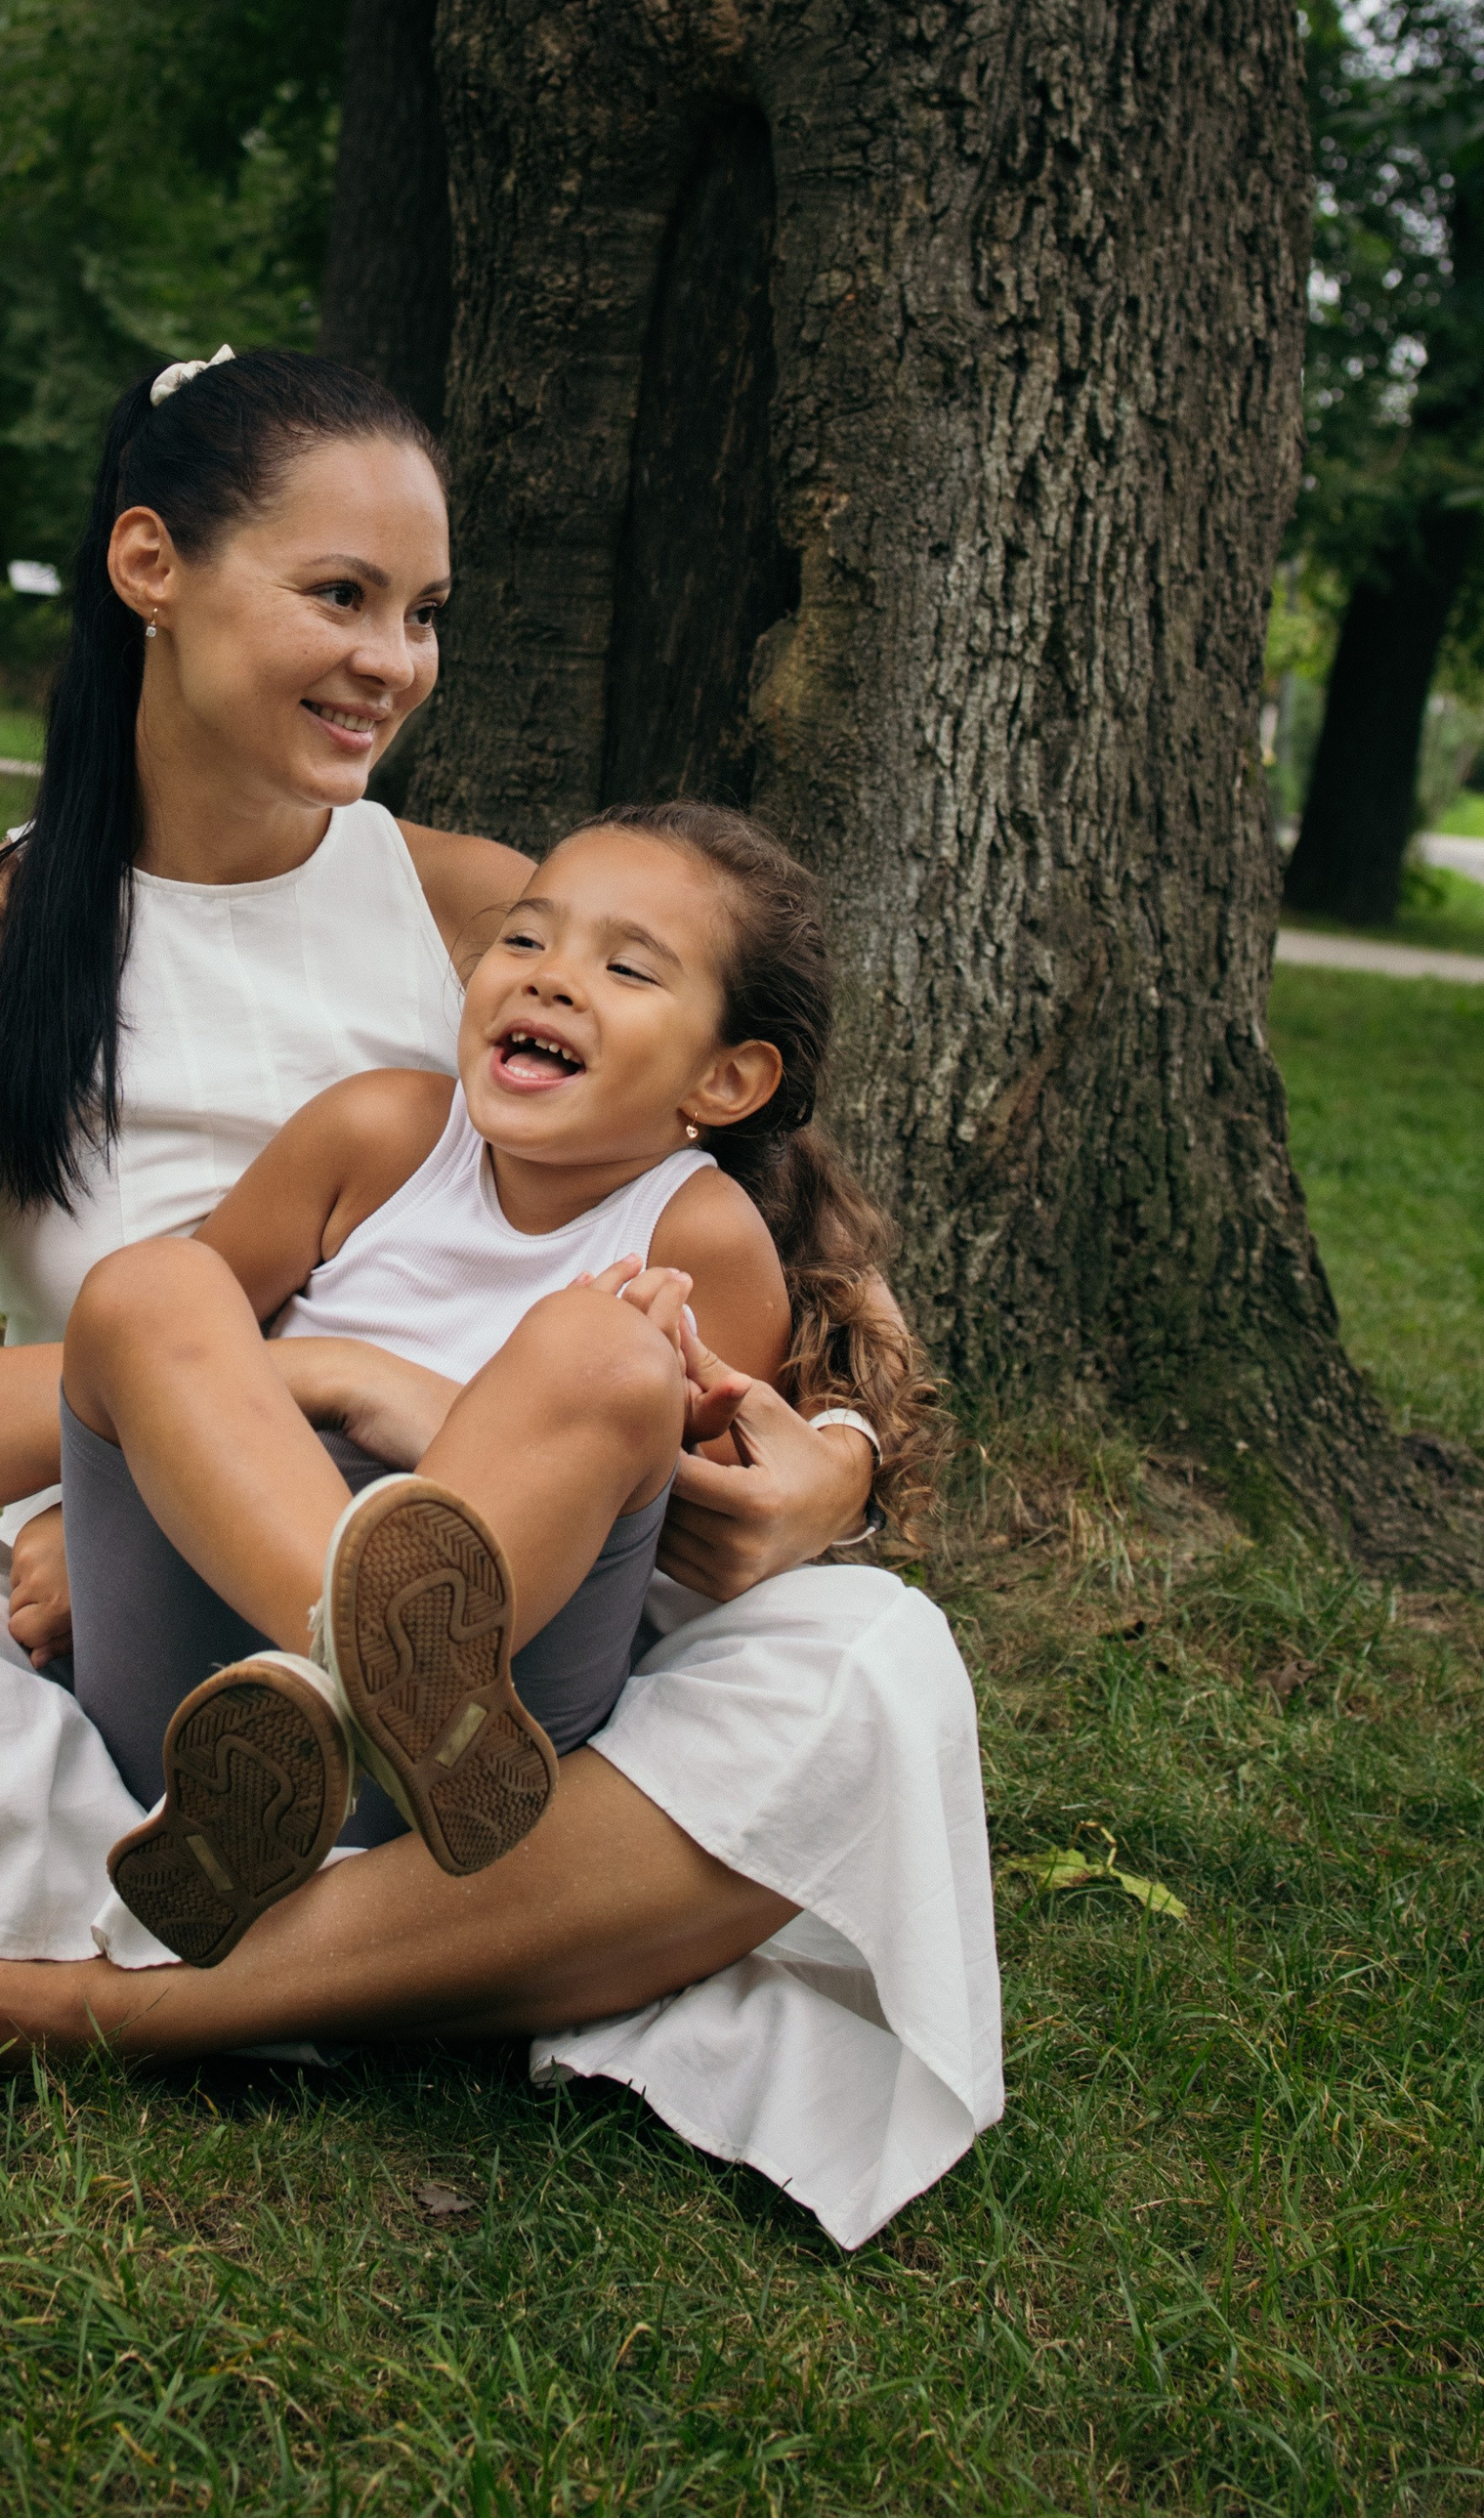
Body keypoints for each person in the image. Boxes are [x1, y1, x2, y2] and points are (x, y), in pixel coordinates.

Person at [0, 345, 1000, 2254]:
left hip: (498, 1580)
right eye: (337, 596)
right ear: (150, 566)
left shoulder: (486, 910)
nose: (391, 662)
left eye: (421, 613)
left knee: (871, 1669)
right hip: (146, 1572)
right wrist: (250, 1406)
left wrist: (824, 1471)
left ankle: (129, 1976)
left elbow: (766, 1259)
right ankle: (437, 1921)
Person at [68, 798, 939, 1971]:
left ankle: (376, 1694)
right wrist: (337, 1380)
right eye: (524, 940)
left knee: (603, 1347)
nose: (551, 980)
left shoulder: (697, 1234)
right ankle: (345, 1682)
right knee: (148, 1283)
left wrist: (442, 1413)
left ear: (726, 1079)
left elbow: (676, 1523)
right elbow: (166, 1360)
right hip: (196, 1692)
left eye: (628, 967)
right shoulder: (373, 1132)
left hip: (474, 1756)